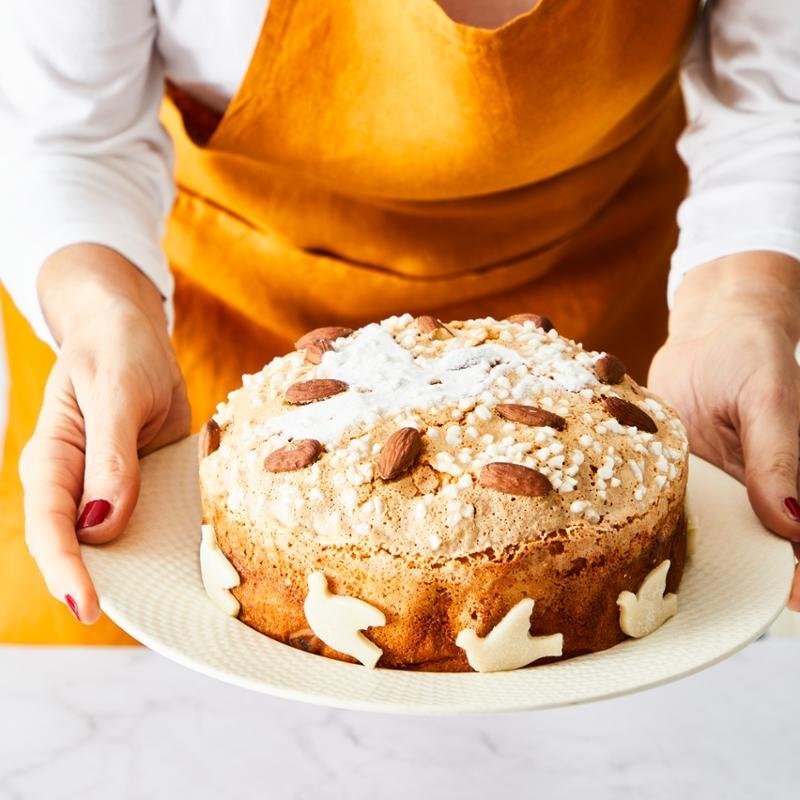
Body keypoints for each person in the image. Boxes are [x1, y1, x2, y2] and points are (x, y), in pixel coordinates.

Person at [0, 0, 798, 643]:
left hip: (591, 363)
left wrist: (742, 307)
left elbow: (774, 105)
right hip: (188, 362)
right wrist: (104, 319)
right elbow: (67, 136)